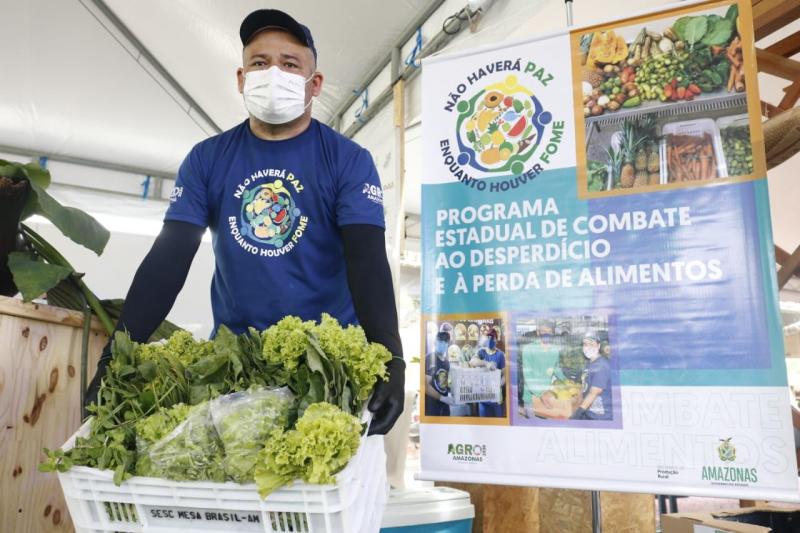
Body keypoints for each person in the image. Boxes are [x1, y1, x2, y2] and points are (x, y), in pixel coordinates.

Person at [83, 9, 404, 435]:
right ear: (240, 78)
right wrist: (116, 353)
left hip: (329, 368)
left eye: (290, 64)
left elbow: (367, 263)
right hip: (236, 365)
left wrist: (391, 356)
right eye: (259, 63)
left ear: (316, 83)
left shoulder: (347, 161)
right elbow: (169, 258)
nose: (274, 73)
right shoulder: (208, 158)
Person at [518, 324, 562, 418]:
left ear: (553, 333)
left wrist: (566, 381)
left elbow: (556, 368)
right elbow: (528, 375)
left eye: (549, 332)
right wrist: (540, 394)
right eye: (543, 331)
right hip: (532, 397)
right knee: (534, 426)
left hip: (548, 395)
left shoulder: (555, 350)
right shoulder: (528, 349)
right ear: (538, 332)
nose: (546, 334)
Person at [571, 330, 613, 421]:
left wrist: (578, 413)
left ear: (598, 346)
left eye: (591, 344)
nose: (587, 347)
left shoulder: (602, 365)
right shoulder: (589, 363)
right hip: (590, 412)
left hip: (601, 417)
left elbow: (593, 393)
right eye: (585, 344)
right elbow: (585, 386)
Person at [470, 328, 506, 417]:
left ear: (496, 340)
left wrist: (499, 385)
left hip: (496, 398)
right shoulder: (481, 352)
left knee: (498, 424)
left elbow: (505, 375)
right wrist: (486, 363)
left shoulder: (500, 355)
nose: (490, 340)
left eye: (492, 338)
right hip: (483, 398)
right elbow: (472, 362)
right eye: (488, 338)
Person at [424, 331, 455, 416]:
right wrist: (442, 398)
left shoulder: (446, 362)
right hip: (431, 407)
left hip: (444, 408)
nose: (443, 344)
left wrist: (453, 391)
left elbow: (444, 384)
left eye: (446, 342)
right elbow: (425, 386)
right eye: (441, 341)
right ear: (435, 342)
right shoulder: (430, 358)